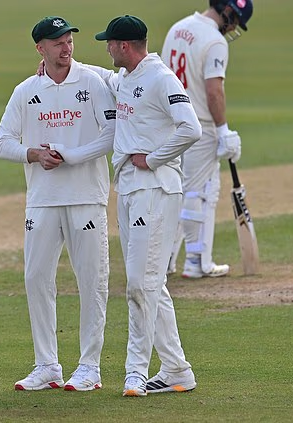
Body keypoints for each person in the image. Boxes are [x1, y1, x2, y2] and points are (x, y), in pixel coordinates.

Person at [0, 16, 116, 392]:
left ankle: (90, 367)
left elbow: (112, 132)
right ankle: (47, 365)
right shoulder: (26, 90)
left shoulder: (92, 82)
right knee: (36, 278)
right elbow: (2, 142)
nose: (66, 47)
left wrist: (72, 155)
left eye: (69, 40)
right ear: (40, 48)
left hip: (86, 197)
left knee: (92, 281)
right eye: (57, 42)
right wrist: (33, 153)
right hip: (42, 200)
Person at [92, 15, 201, 396]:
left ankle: (135, 372)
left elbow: (191, 127)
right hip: (128, 189)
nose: (107, 48)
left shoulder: (160, 78)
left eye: (110, 43)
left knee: (140, 284)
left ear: (124, 45)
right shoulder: (125, 77)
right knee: (151, 284)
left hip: (155, 188)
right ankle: (176, 369)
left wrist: (153, 158)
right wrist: (59, 65)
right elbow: (102, 77)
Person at [163, 0, 254, 278]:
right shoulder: (215, 41)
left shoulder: (177, 28)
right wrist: (223, 130)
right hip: (200, 125)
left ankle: (164, 260)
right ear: (228, 12)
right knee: (201, 192)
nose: (234, 27)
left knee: (175, 191)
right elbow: (214, 92)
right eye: (236, 20)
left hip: (171, 122)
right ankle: (197, 261)